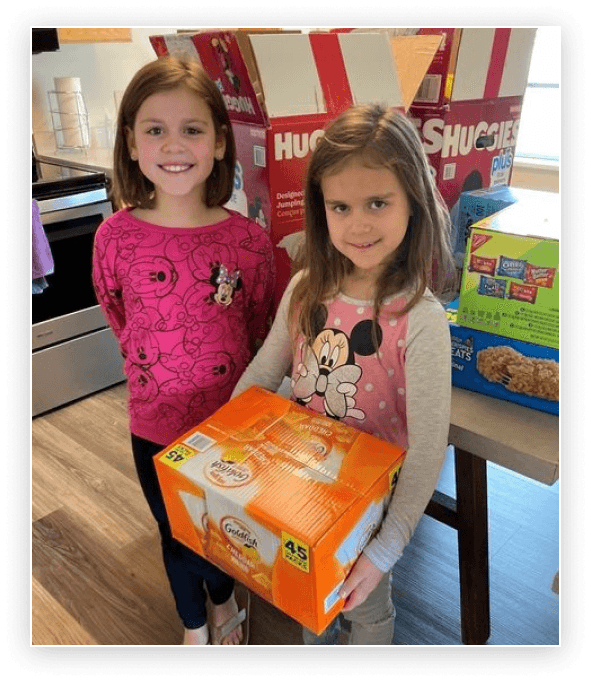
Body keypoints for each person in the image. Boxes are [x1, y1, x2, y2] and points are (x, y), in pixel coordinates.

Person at [231, 103, 455, 645]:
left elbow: (428, 450)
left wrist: (383, 549)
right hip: (301, 488)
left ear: (414, 203)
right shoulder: (306, 287)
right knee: (313, 607)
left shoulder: (421, 321)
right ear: (321, 209)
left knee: (366, 608)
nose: (358, 224)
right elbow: (263, 373)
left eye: (378, 202)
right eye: (341, 206)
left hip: (369, 514)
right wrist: (222, 448)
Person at [92, 57, 275, 645]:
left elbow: (262, 327)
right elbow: (118, 314)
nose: (175, 145)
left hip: (231, 425)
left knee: (220, 533)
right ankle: (194, 629)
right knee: (173, 534)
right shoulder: (114, 236)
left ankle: (222, 604)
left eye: (192, 129)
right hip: (153, 422)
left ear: (220, 142)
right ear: (131, 142)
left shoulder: (248, 241)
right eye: (155, 129)